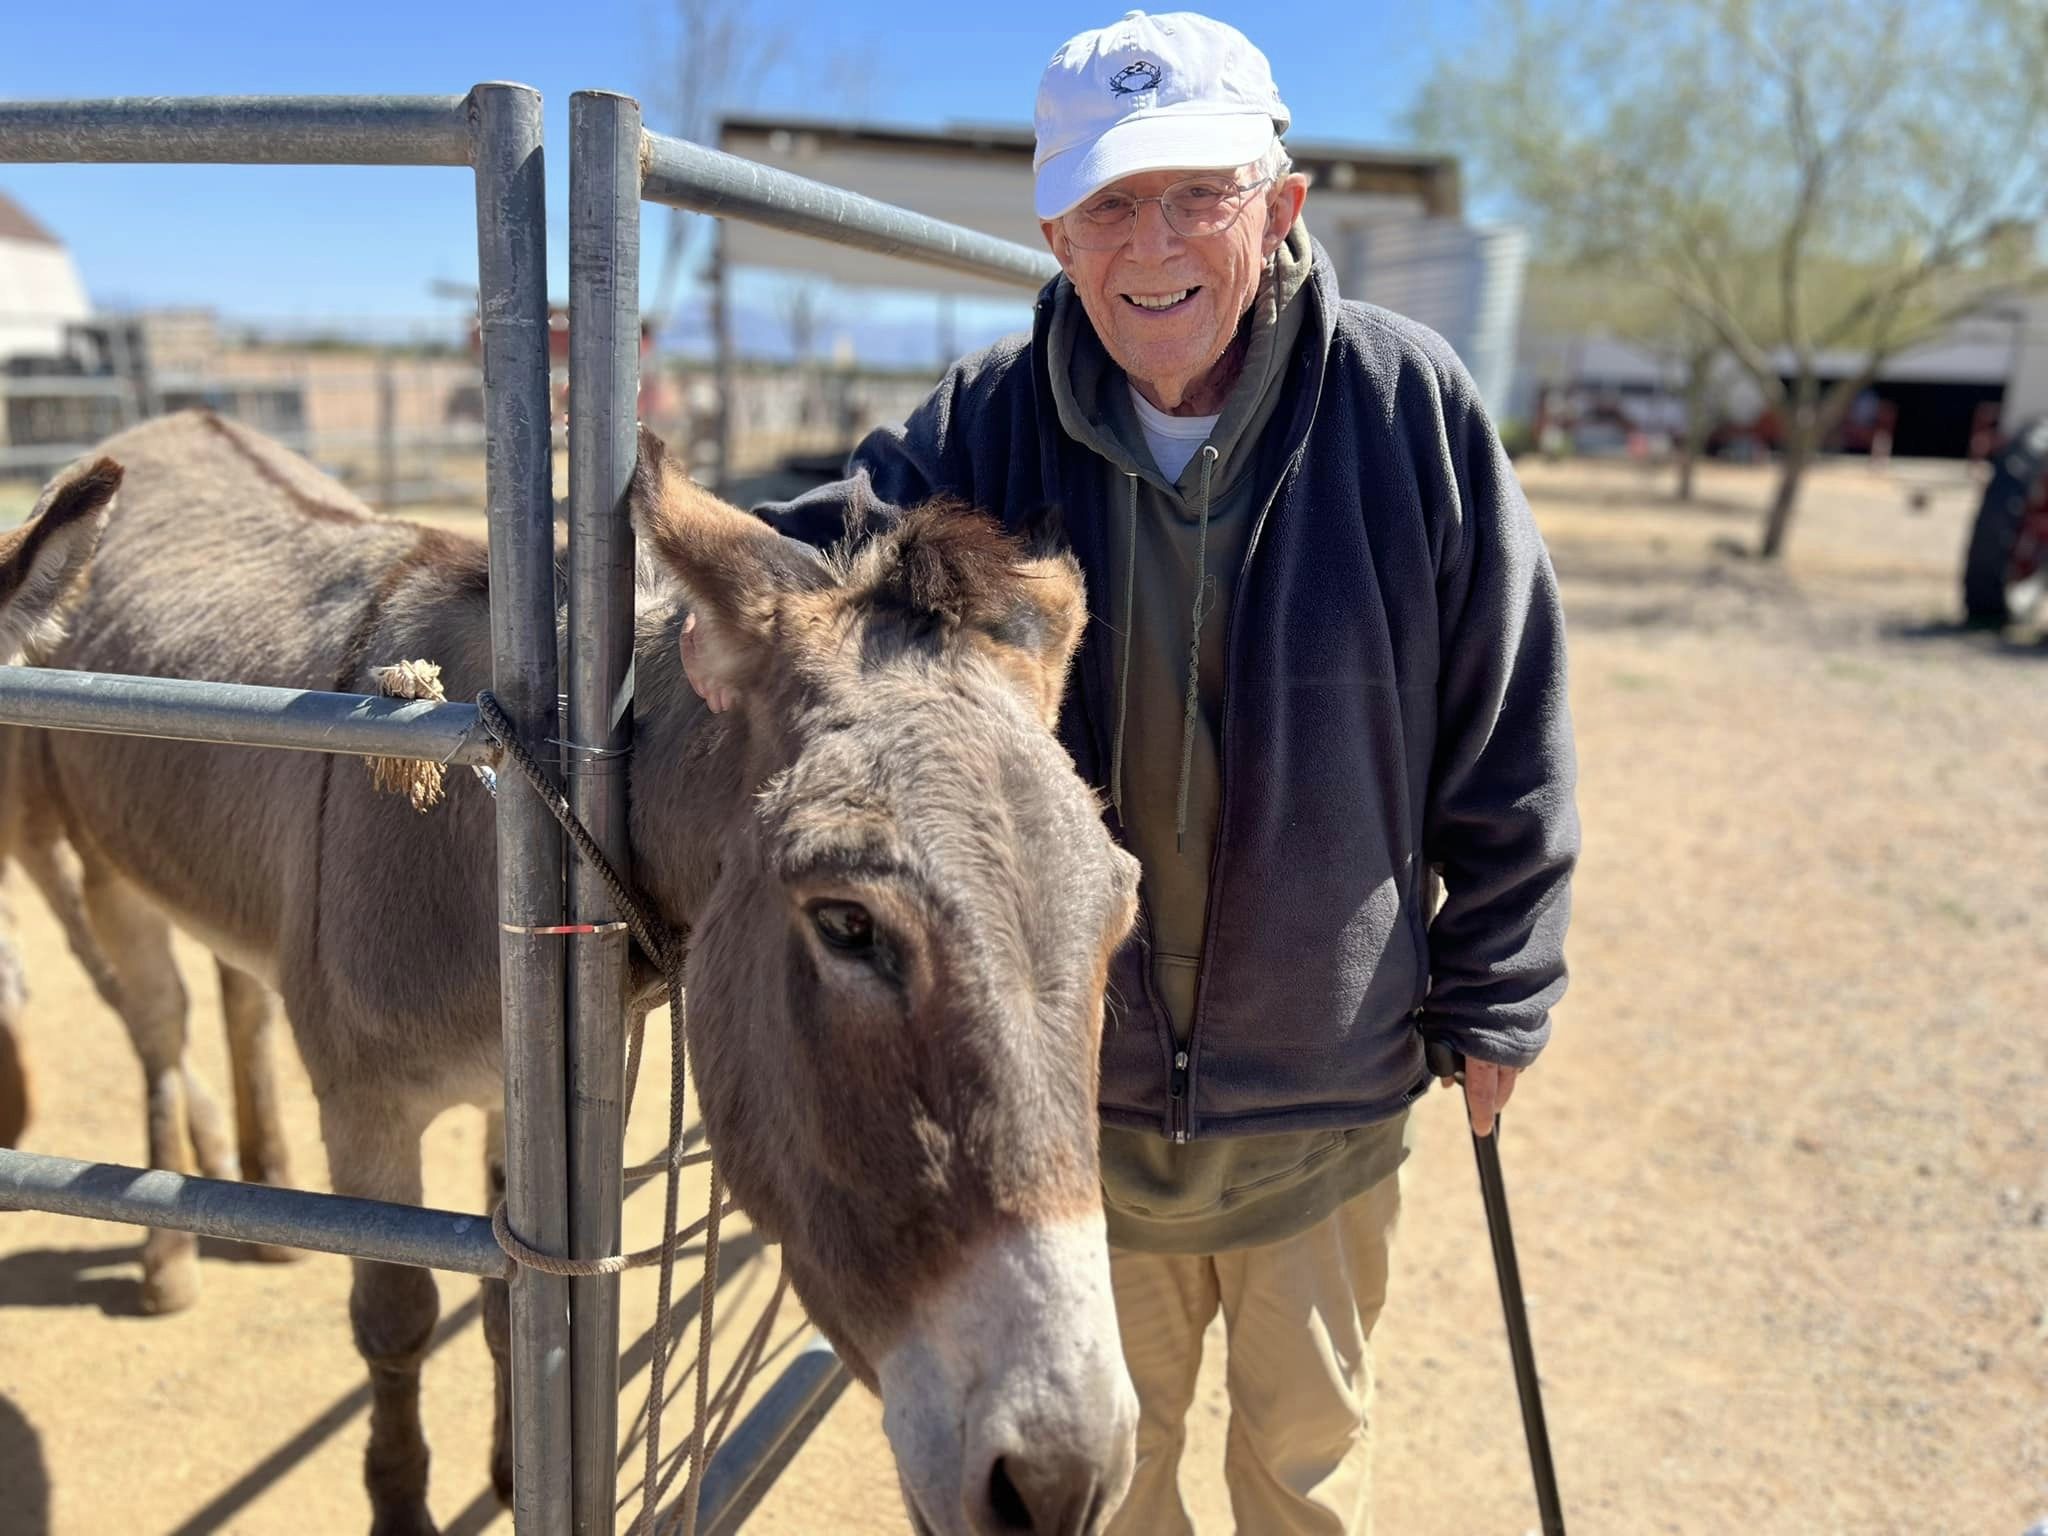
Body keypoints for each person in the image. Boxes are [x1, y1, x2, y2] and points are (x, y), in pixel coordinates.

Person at [693, 11, 1579, 1532]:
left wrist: (1499, 981)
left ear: (1280, 206)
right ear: (1055, 228)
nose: (1150, 244)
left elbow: (1507, 713)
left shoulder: (1403, 406)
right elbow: (821, 550)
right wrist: (632, 575)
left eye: (1196, 194)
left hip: (1325, 1091)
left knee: (1305, 1475)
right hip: (1085, 1116)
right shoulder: (983, 424)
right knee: (1111, 1480)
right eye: (1109, 203)